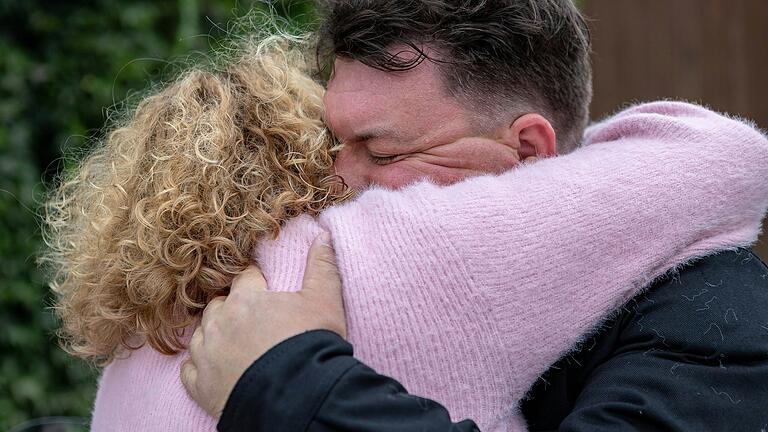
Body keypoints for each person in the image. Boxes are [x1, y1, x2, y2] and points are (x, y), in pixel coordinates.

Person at [42, 5, 768, 432]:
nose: (338, 182)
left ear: (526, 149)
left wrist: (287, 379)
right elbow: (722, 154)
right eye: (334, 143)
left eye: (379, 150)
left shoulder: (714, 318)